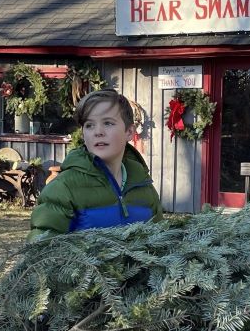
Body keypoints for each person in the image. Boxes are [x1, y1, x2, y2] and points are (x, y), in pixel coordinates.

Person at [28, 89, 162, 241]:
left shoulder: (143, 185)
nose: (98, 132)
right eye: (89, 125)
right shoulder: (63, 188)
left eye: (108, 123)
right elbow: (41, 250)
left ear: (129, 132)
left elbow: (161, 243)